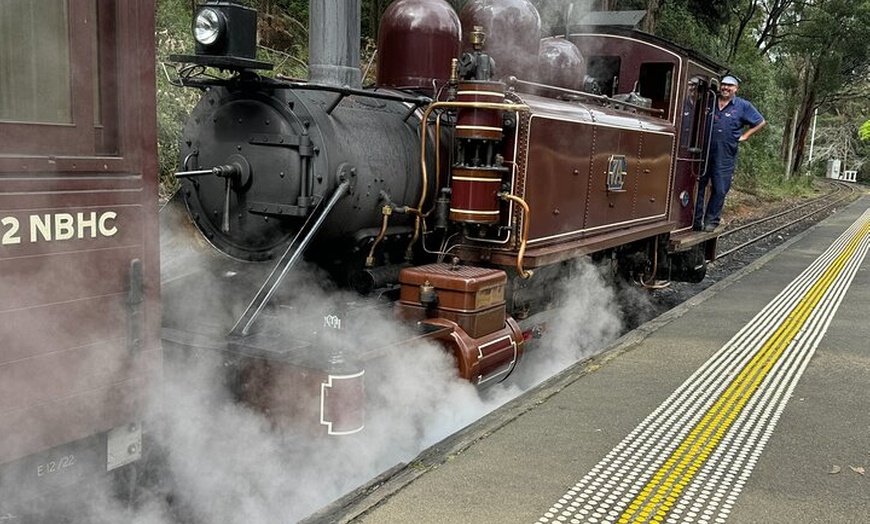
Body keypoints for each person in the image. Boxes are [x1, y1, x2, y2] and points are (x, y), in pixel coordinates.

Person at [694, 75, 766, 232]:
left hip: (725, 154)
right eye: (724, 85)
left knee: (720, 188)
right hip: (703, 151)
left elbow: (760, 121)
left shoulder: (743, 106)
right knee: (698, 185)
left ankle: (711, 220)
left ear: (736, 89)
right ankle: (696, 220)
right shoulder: (709, 101)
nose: (725, 88)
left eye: (730, 86)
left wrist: (745, 136)